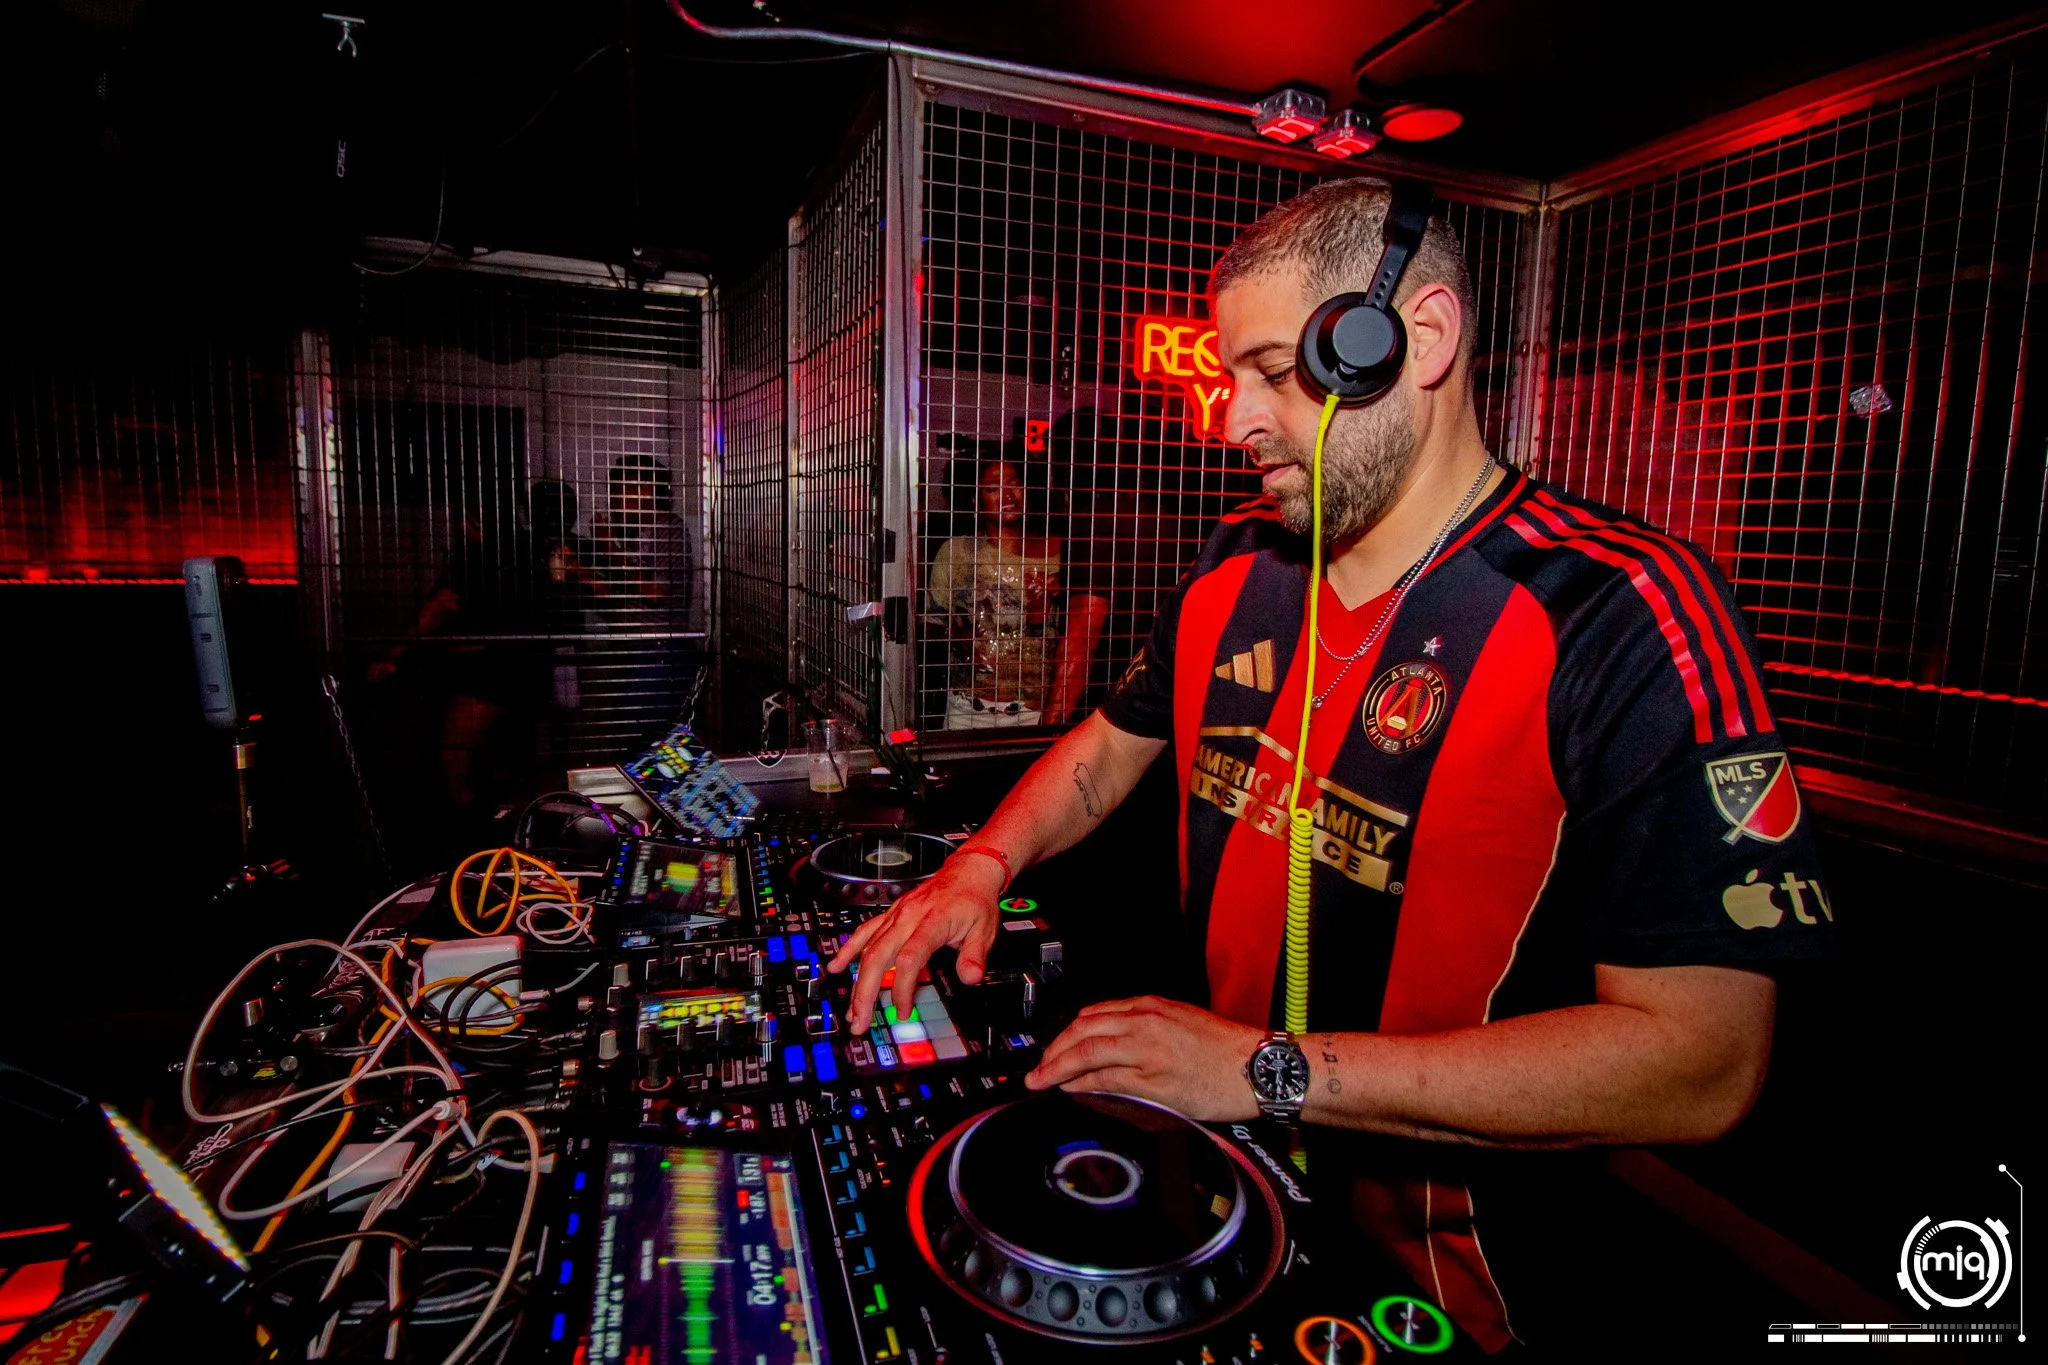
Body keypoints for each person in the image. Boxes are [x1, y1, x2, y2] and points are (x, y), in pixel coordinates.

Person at [828, 180, 1833, 1350]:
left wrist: (1269, 1072)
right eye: (1230, 377)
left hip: (1453, 1290)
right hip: (1229, 1203)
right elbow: (1104, 750)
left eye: (1270, 371)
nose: (1230, 421)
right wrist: (980, 866)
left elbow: (1704, 1063)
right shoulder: (1236, 566)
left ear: (1415, 341)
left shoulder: (1619, 613)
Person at [926, 454, 1103, 727]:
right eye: (993, 488)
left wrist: (1065, 591)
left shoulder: (1059, 552)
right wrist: (957, 637)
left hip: (1035, 712)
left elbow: (1085, 629)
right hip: (968, 709)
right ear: (975, 498)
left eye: (1014, 484)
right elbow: (930, 626)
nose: (1007, 495)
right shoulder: (957, 552)